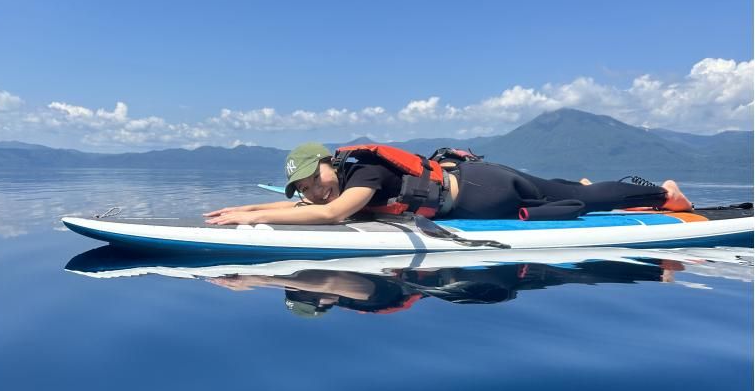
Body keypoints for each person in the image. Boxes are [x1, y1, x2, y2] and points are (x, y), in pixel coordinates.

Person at [204, 142, 693, 226]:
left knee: (579, 201)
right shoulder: (341, 181)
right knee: (560, 187)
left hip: (485, 192)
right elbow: (310, 207)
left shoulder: (364, 173)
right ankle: (585, 182)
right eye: (302, 189)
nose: (312, 193)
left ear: (329, 164)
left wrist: (254, 216)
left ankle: (662, 193)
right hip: (476, 185)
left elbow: (333, 214)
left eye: (313, 181)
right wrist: (243, 210)